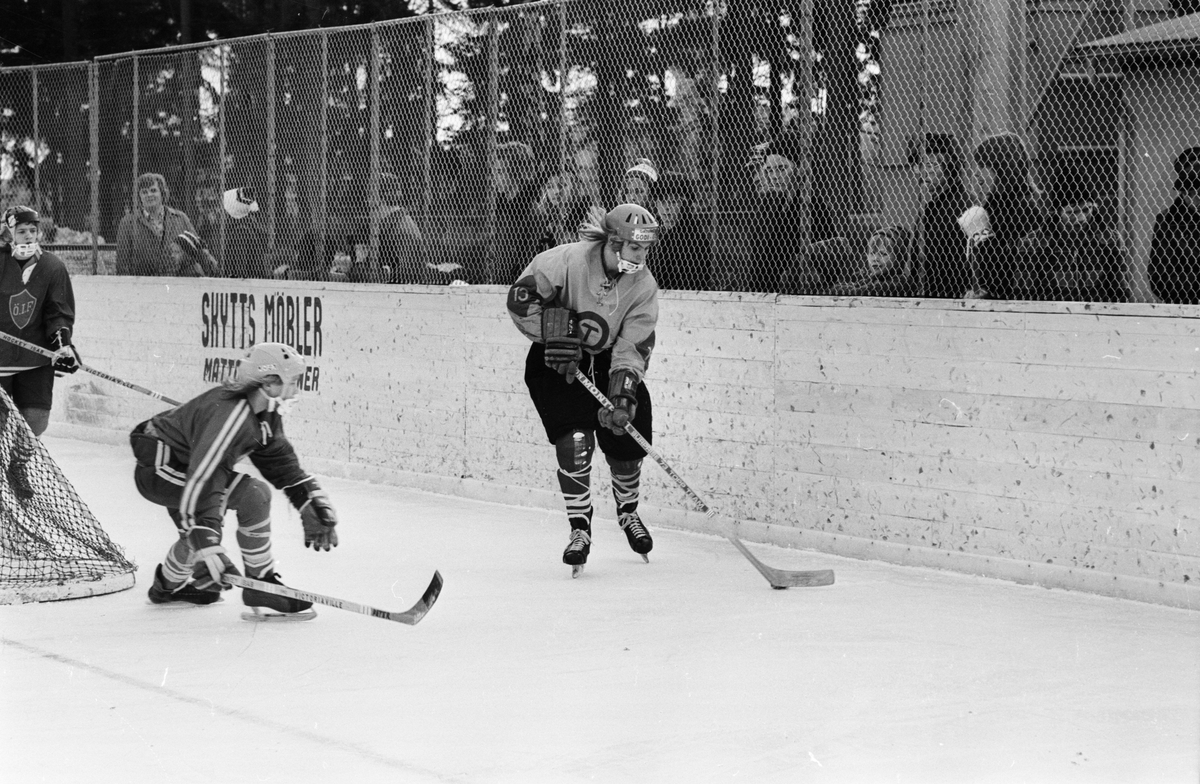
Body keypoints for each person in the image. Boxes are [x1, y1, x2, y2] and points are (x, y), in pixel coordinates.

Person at [129, 342, 339, 618]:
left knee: (198, 535)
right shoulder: (232, 415)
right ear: (270, 381)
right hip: (161, 470)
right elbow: (205, 476)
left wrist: (307, 500)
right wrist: (206, 537)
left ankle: (167, 587)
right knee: (252, 495)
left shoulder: (265, 413)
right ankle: (261, 584)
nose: (297, 389)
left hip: (185, 466)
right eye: (294, 381)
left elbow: (278, 460)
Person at [507, 204, 660, 575]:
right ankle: (580, 529)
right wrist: (550, 332)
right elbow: (520, 299)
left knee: (627, 441)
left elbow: (634, 344)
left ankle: (628, 512)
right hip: (557, 362)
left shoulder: (643, 285)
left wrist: (623, 391)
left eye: (646, 249)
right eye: (635, 248)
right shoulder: (565, 261)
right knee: (574, 441)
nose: (642, 256)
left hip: (608, 362)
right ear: (613, 242)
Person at [0, 205, 81, 437]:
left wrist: (62, 345)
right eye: (22, 230)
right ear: (9, 232)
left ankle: (17, 468)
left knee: (36, 421)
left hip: (35, 358)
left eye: (32, 230)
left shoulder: (52, 267)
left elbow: (58, 313)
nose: (28, 235)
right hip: (1, 359)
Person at [1018, 156, 1125, 303]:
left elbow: (1121, 294)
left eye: (1086, 210)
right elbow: (1023, 297)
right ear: (1057, 212)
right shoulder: (1033, 243)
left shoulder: (1109, 239)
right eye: (1071, 212)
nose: (1081, 218)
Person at [962, 132, 1042, 300]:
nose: (977, 174)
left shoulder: (1022, 208)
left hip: (1009, 296)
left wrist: (982, 235)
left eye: (982, 166)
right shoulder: (995, 204)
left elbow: (1012, 257)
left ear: (1001, 168)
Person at [742, 152, 836, 293]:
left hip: (800, 287)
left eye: (781, 169)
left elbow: (827, 252)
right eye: (769, 170)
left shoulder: (812, 204)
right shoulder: (768, 202)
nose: (774, 176)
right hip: (763, 287)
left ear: (797, 168)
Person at [907, 133, 972, 298]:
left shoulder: (962, 209)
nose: (921, 172)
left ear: (950, 167)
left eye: (931, 165)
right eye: (918, 165)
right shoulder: (933, 208)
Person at [115, 172, 199, 276]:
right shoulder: (127, 223)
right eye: (144, 192)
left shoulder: (181, 218)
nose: (149, 195)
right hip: (144, 285)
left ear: (162, 193)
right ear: (139, 196)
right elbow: (122, 263)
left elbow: (197, 251)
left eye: (153, 190)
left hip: (176, 284)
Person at [1147, 146, 1200, 304]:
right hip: (1186, 305)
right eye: (1194, 193)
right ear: (1184, 193)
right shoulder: (1168, 221)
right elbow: (1160, 277)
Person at [648, 172, 711, 290]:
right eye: (662, 202)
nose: (666, 208)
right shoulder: (655, 233)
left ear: (684, 205)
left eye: (673, 202)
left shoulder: (694, 238)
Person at [493, 142, 543, 283]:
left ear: (516, 172)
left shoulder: (532, 212)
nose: (495, 178)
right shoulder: (502, 209)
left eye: (500, 171)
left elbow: (528, 261)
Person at [824, 227, 915, 297]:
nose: (875, 258)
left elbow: (860, 291)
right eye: (872, 253)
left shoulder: (899, 282)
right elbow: (854, 286)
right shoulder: (874, 278)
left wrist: (834, 288)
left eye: (883, 254)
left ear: (898, 259)